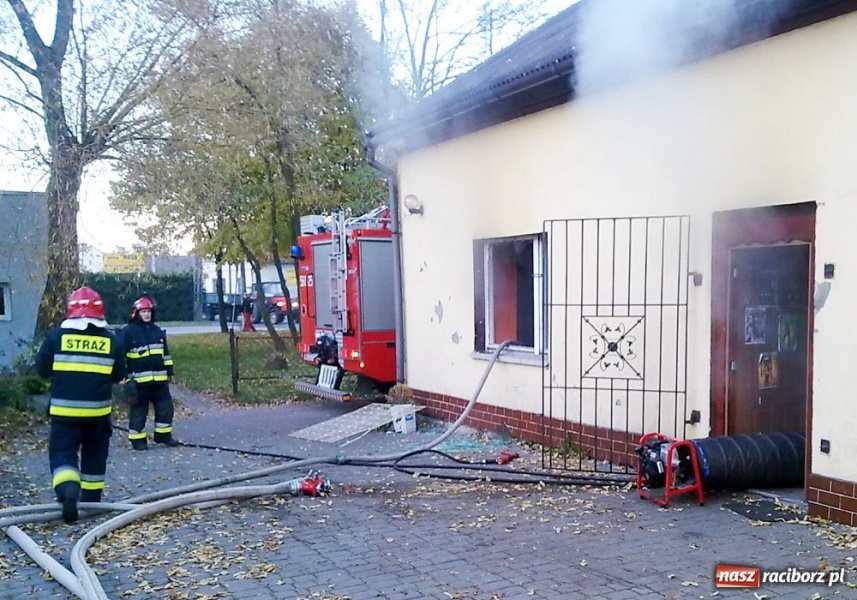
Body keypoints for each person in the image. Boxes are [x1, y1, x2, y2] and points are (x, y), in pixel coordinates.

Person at [35, 287, 125, 523]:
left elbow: (42, 370)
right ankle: (92, 500)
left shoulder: (57, 337)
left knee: (63, 453)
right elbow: (119, 374)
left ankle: (68, 491)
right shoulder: (111, 340)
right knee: (95, 455)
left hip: (64, 413)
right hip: (98, 413)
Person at [122, 295, 178, 450]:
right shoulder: (128, 332)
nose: (147, 314)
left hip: (159, 380)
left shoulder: (157, 331)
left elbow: (165, 354)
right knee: (139, 411)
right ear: (136, 313)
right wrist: (125, 377)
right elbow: (121, 357)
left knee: (166, 408)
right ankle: (137, 440)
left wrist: (169, 371)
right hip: (139, 381)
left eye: (149, 311)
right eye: (143, 311)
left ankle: (163, 435)